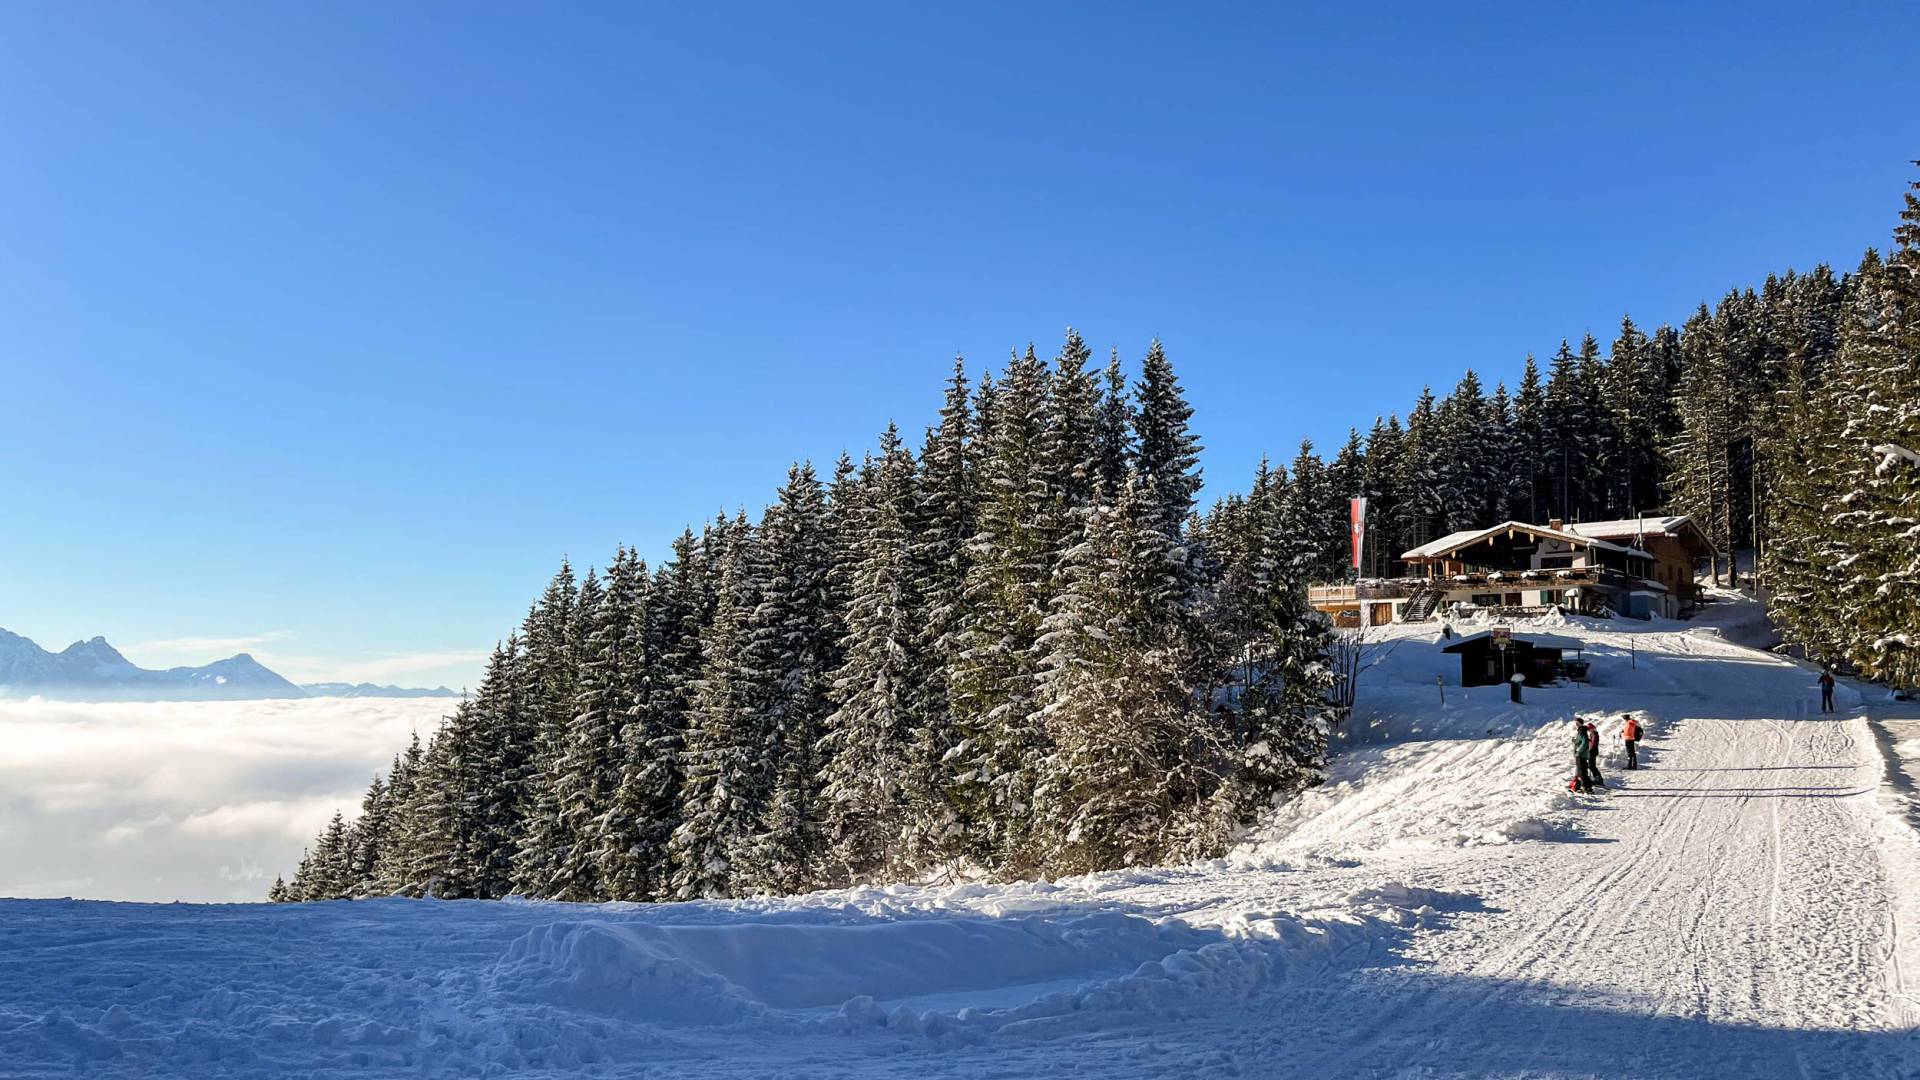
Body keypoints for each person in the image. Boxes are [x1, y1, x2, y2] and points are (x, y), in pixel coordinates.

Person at [1571, 720, 1593, 794]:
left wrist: (1578, 751)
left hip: (1581, 755)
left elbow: (1585, 742)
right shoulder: (1581, 731)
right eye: (1575, 723)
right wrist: (1575, 741)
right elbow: (1581, 741)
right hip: (1581, 755)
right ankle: (1588, 787)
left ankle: (1586, 788)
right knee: (1582, 771)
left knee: (1582, 772)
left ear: (1580, 723)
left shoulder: (1582, 731)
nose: (1576, 724)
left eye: (1577, 723)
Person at [1582, 718, 1605, 789]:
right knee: (1591, 765)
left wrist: (1587, 740)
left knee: (1592, 766)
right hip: (1592, 751)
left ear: (1592, 728)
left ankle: (1598, 779)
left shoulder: (1594, 734)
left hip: (1593, 751)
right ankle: (1598, 778)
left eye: (1589, 729)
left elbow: (1593, 743)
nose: (1588, 730)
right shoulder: (1592, 734)